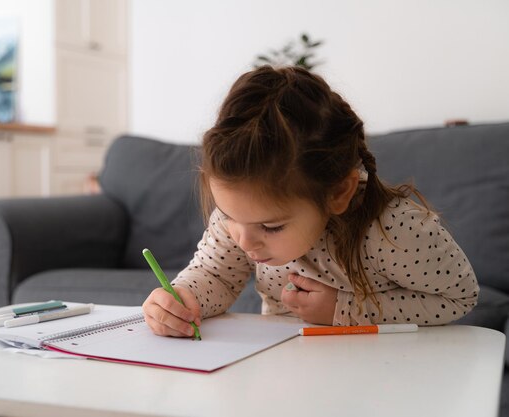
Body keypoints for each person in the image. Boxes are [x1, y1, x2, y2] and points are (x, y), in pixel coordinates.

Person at [142, 65, 479, 338]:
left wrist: (343, 310)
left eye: (271, 226)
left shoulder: (393, 228)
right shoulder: (240, 223)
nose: (243, 241)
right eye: (229, 215)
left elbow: (459, 297)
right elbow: (216, 276)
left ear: (338, 194)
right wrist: (184, 298)